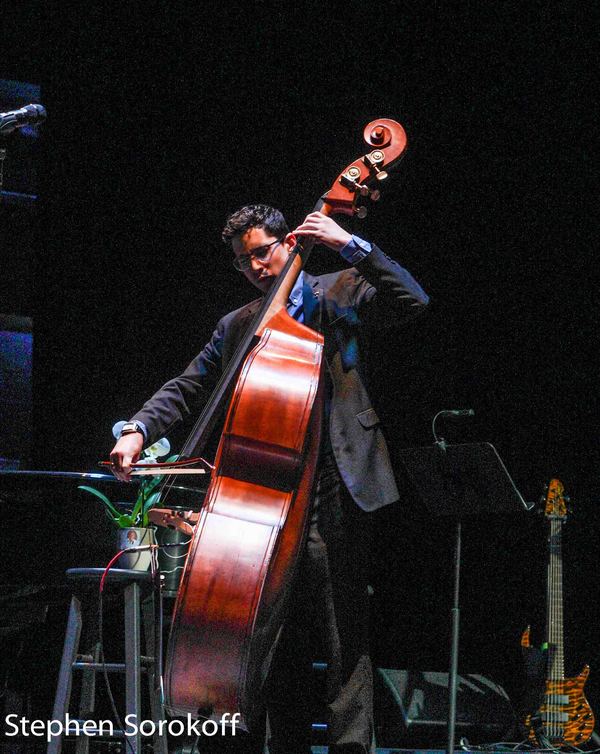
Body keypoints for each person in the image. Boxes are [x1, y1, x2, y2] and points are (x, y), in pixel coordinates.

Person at [110, 205, 429, 754]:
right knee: (275, 636)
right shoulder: (239, 323)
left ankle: (351, 748)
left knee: (343, 634)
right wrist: (136, 429)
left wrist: (347, 241)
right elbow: (188, 385)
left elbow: (413, 301)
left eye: (262, 251)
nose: (255, 266)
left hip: (336, 481)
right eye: (242, 261)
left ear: (288, 243)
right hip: (267, 493)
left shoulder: (341, 289)